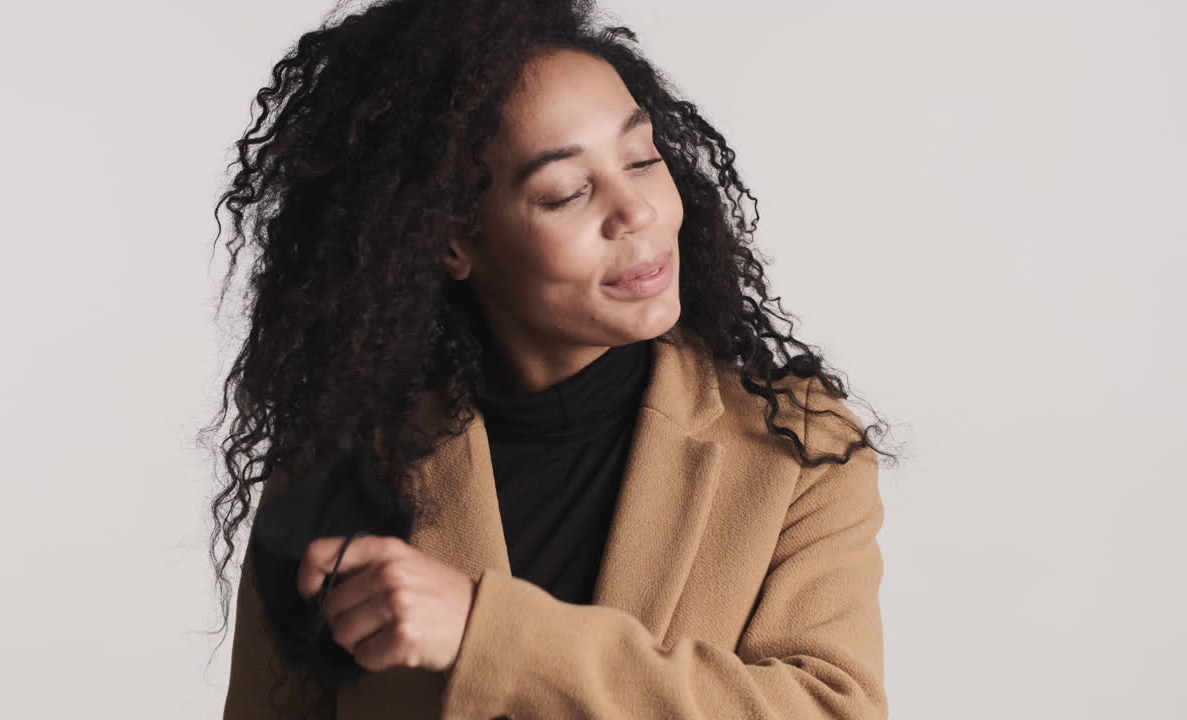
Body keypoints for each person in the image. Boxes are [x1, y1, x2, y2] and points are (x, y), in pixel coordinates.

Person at [203, 1, 898, 718]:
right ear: (453, 242)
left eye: (642, 157)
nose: (637, 212)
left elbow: (832, 709)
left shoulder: (795, 446)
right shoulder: (348, 455)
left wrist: (488, 633)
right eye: (567, 192)